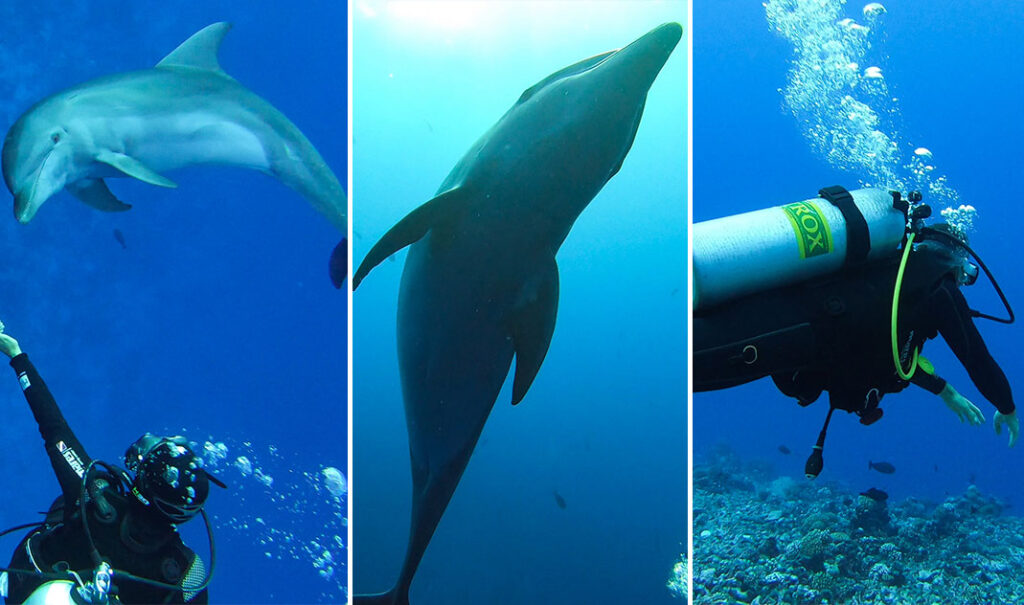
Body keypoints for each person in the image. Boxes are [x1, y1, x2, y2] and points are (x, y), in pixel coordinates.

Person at [694, 222, 1019, 456]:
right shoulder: (940, 287)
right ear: (957, 259)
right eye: (967, 273)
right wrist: (1006, 405)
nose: (964, 281)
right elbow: (976, 358)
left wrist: (944, 390)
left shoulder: (899, 269)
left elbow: (894, 352)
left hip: (789, 329)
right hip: (794, 333)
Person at [0, 330, 216, 604]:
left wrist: (16, 355)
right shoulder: (188, 574)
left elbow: (53, 428)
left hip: (24, 588)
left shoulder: (95, 494)